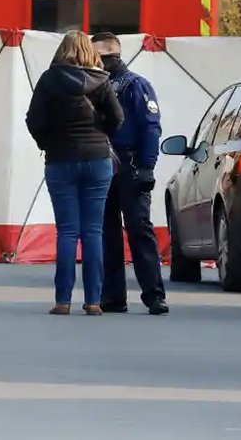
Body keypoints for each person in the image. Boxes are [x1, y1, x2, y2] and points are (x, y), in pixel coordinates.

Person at [25, 30, 123, 316]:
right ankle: (93, 301)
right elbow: (117, 118)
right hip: (97, 160)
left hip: (60, 160)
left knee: (67, 232)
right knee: (93, 231)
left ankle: (63, 301)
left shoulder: (49, 80)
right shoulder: (102, 80)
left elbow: (33, 120)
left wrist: (47, 142)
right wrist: (100, 135)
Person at [91, 32, 169, 316]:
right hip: (102, 164)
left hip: (130, 163)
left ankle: (154, 296)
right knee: (106, 233)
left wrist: (147, 166)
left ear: (110, 57)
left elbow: (150, 126)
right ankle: (113, 296)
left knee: (139, 230)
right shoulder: (94, 86)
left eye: (98, 58)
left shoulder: (135, 85)